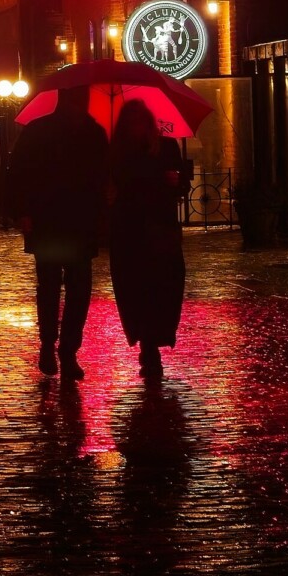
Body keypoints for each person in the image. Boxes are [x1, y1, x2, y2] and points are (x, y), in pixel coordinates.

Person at [8, 83, 109, 381]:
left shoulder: (50, 131)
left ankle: (59, 348)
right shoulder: (90, 133)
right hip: (61, 222)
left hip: (62, 222)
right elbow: (20, 174)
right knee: (64, 289)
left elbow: (18, 173)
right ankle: (57, 347)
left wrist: (24, 211)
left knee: (63, 289)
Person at [108, 99, 186, 380]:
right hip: (129, 231)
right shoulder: (116, 153)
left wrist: (175, 182)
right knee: (136, 289)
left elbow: (181, 183)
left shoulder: (164, 147)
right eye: (132, 121)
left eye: (141, 121)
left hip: (159, 229)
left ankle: (153, 341)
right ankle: (147, 344)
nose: (137, 127)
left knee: (163, 286)